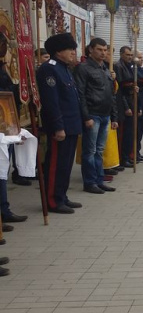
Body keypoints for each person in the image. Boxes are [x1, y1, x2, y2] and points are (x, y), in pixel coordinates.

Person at [36, 33, 83, 214]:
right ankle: (52, 201)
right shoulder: (49, 69)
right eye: (69, 49)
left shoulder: (65, 69)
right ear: (58, 51)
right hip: (60, 127)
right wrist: (58, 126)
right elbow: (51, 102)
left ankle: (61, 195)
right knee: (56, 165)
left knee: (65, 165)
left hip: (71, 125)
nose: (73, 52)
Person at [73, 37, 117, 194]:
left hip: (105, 115)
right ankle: (90, 182)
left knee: (99, 151)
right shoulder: (83, 68)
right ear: (91, 49)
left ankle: (99, 179)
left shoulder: (105, 69)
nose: (103, 53)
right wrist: (86, 117)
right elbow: (80, 94)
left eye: (105, 50)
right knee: (90, 151)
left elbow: (111, 95)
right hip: (92, 114)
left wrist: (114, 117)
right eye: (99, 49)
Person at [113, 46, 136, 166]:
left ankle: (128, 155)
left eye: (131, 55)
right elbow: (120, 89)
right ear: (121, 54)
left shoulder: (130, 66)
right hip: (123, 102)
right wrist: (126, 107)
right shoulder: (118, 66)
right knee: (124, 132)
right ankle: (123, 157)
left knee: (130, 132)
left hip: (131, 100)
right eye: (127, 55)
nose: (130, 57)